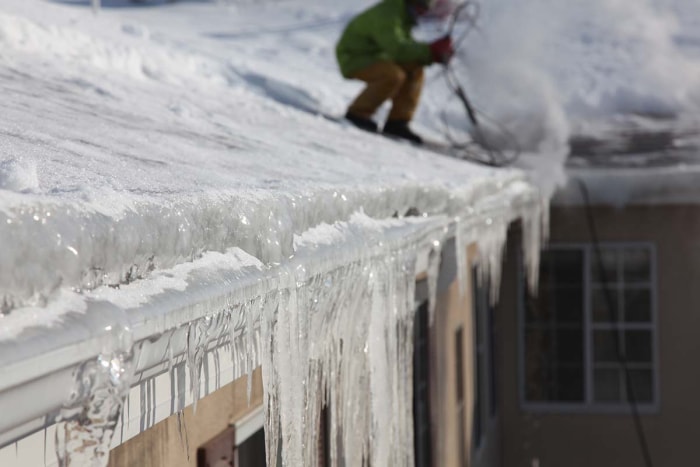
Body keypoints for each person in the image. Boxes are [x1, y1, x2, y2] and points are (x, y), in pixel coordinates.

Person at [335, 0, 454, 144]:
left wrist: (434, 53)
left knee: (414, 69)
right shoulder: (389, 12)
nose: (421, 13)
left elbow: (407, 50)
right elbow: (396, 48)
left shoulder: (404, 16)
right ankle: (357, 114)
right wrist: (430, 51)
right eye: (420, 8)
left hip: (377, 56)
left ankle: (397, 122)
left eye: (424, 10)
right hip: (354, 57)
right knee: (392, 75)